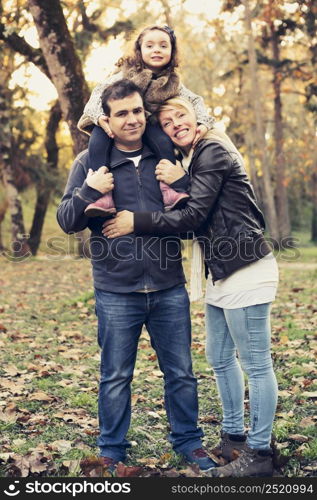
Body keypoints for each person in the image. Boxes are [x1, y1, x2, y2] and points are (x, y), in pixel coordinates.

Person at [102, 97, 279, 478]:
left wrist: (139, 221)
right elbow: (203, 208)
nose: (174, 124)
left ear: (197, 117)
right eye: (165, 121)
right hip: (220, 269)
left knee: (256, 365)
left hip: (245, 265)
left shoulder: (212, 148)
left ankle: (260, 454)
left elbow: (195, 214)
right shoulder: (194, 156)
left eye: (180, 115)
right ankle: (234, 439)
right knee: (217, 357)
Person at [57, 80, 217, 473]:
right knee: (114, 376)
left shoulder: (165, 160)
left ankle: (189, 442)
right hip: (116, 290)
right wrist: (86, 193)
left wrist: (147, 215)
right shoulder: (88, 164)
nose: (132, 119)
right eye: (122, 113)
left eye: (136, 111)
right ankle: (112, 450)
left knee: (180, 372)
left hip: (167, 286)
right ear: (107, 122)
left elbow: (191, 219)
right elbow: (66, 220)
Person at [77, 24, 214, 217]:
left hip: (147, 124)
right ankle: (103, 194)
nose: (156, 49)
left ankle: (168, 189)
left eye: (163, 46)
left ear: (172, 52)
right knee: (97, 142)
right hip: (111, 121)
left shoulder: (172, 82)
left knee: (163, 142)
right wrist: (100, 117)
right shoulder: (126, 74)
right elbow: (99, 92)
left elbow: (195, 100)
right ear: (139, 50)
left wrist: (203, 122)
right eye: (149, 46)